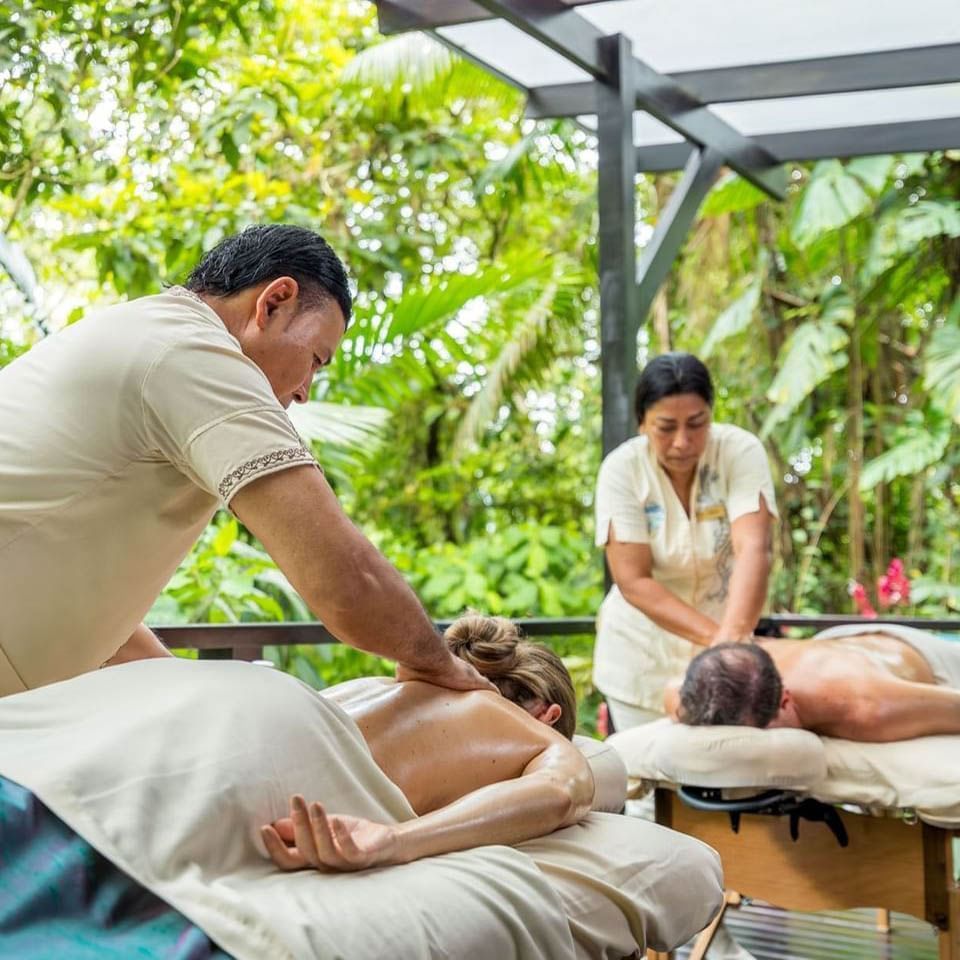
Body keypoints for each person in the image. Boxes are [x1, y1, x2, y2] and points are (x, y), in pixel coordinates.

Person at [0, 225, 490, 697]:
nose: (303, 391)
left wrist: (195, 704)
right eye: (316, 359)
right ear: (274, 302)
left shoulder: (146, 330)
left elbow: (101, 621)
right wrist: (441, 665)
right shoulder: (193, 352)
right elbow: (345, 578)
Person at [262, 613, 594, 871]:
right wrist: (396, 841)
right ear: (549, 716)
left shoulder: (380, 685)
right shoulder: (530, 733)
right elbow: (563, 794)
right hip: (273, 795)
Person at [592, 352, 778, 734]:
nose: (683, 441)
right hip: (641, 654)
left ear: (711, 413)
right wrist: (726, 647)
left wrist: (727, 651)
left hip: (728, 642)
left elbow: (754, 549)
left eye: (697, 424)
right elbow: (633, 580)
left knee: (724, 774)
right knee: (647, 782)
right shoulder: (621, 469)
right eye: (665, 427)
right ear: (642, 422)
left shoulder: (740, 452)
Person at [670, 623, 960, 742]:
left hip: (923, 656)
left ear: (786, 699)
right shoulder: (703, 693)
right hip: (829, 641)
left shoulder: (870, 706)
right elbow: (671, 693)